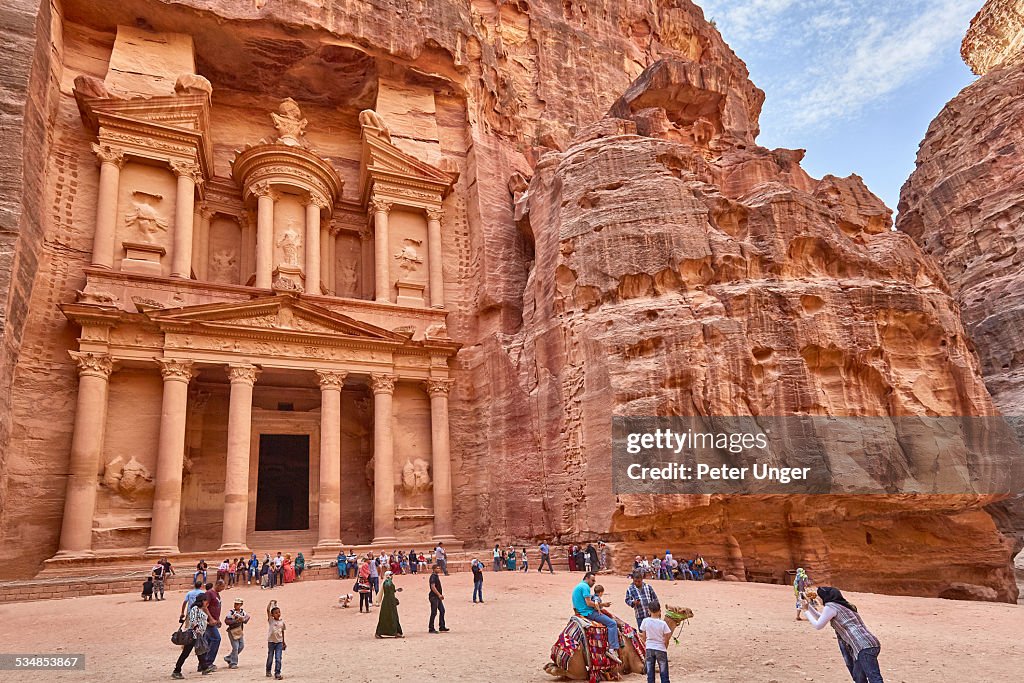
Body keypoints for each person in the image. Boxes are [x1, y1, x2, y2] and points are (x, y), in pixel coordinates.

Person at [801, 587, 884, 683]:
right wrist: (808, 607)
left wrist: (806, 611)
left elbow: (818, 625)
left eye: (819, 596)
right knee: (858, 677)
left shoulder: (830, 606)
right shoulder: (841, 606)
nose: (818, 599)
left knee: (874, 677)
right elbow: (821, 618)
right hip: (868, 644)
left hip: (863, 645)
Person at [572, 572, 621, 664]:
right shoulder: (585, 587)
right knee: (612, 623)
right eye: (592, 580)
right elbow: (589, 603)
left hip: (581, 611)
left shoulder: (579, 586)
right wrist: (604, 605)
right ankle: (612, 649)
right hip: (588, 612)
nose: (594, 582)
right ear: (586, 578)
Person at [172, 592, 209, 679]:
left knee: (200, 651)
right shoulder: (195, 609)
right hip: (193, 635)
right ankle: (176, 670)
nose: (206, 602)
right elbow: (192, 621)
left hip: (198, 635)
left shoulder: (200, 609)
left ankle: (204, 668)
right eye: (205, 600)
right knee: (186, 653)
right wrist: (197, 629)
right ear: (202, 601)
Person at [640, 601, 672, 683]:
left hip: (649, 648)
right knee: (664, 672)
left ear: (649, 611)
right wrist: (665, 646)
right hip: (660, 648)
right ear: (659, 611)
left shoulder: (645, 621)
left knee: (650, 673)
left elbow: (643, 635)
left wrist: (646, 644)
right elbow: (667, 637)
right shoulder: (663, 623)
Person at [199, 578, 225, 674]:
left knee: (207, 641)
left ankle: (202, 663)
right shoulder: (210, 593)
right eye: (222, 586)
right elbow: (205, 606)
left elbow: (216, 607)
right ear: (218, 585)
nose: (223, 588)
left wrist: (217, 619)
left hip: (213, 620)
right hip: (209, 622)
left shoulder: (217, 594)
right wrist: (210, 618)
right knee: (216, 639)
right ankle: (208, 662)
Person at [375, 570, 404, 638]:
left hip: (389, 601)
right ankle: (393, 632)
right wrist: (394, 599)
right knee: (389, 616)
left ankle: (395, 632)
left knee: (392, 616)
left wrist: (396, 590)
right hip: (389, 602)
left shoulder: (388, 582)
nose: (392, 576)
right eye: (391, 575)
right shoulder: (388, 583)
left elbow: (390, 591)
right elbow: (389, 592)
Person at [224, 597, 249, 669]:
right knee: (235, 647)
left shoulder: (242, 612)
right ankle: (233, 663)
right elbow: (226, 621)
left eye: (237, 604)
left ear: (241, 605)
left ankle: (229, 658)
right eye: (235, 604)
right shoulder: (231, 612)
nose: (236, 605)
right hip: (232, 631)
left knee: (241, 646)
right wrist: (236, 621)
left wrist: (243, 619)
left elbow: (247, 618)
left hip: (239, 631)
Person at [266, 599, 286, 680]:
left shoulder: (282, 622)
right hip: (271, 642)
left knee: (278, 658)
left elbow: (283, 632)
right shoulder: (271, 620)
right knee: (270, 657)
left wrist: (284, 642)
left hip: (279, 643)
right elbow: (267, 610)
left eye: (279, 612)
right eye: (276, 613)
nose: (278, 614)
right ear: (272, 615)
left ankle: (277, 673)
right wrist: (270, 603)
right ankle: (268, 670)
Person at [428, 564, 449, 633]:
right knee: (434, 612)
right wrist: (439, 595)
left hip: (437, 597)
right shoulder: (433, 577)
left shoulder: (436, 576)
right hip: (434, 597)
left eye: (439, 568)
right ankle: (431, 628)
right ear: (434, 569)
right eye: (437, 568)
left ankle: (442, 626)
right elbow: (433, 587)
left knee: (442, 610)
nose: (439, 569)